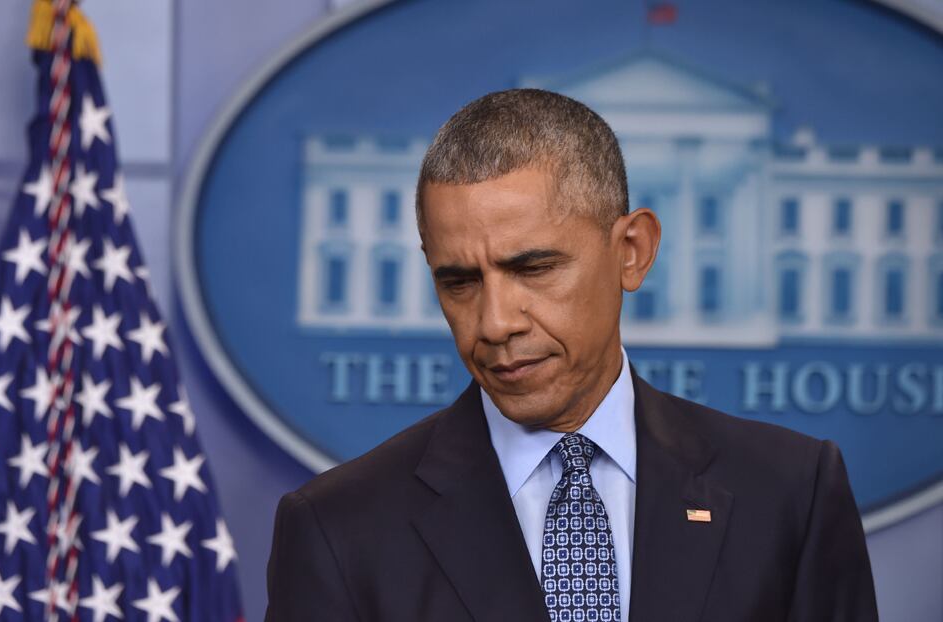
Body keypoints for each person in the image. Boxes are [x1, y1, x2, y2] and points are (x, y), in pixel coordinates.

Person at [265, 89, 878, 621]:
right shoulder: (337, 528)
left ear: (632, 251)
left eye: (533, 269)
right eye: (459, 282)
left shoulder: (791, 493)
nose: (495, 323)